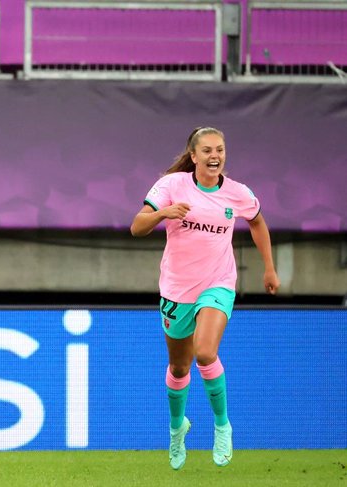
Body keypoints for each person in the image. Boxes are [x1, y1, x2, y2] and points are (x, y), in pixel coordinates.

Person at [130, 127, 280, 470]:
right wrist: (161, 214)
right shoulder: (171, 186)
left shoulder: (237, 193)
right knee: (179, 366)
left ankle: (222, 426)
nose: (216, 156)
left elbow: (257, 223)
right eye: (209, 150)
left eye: (221, 150)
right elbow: (137, 226)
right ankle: (176, 427)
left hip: (218, 283)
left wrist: (268, 268)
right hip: (177, 290)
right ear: (194, 156)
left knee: (205, 352)